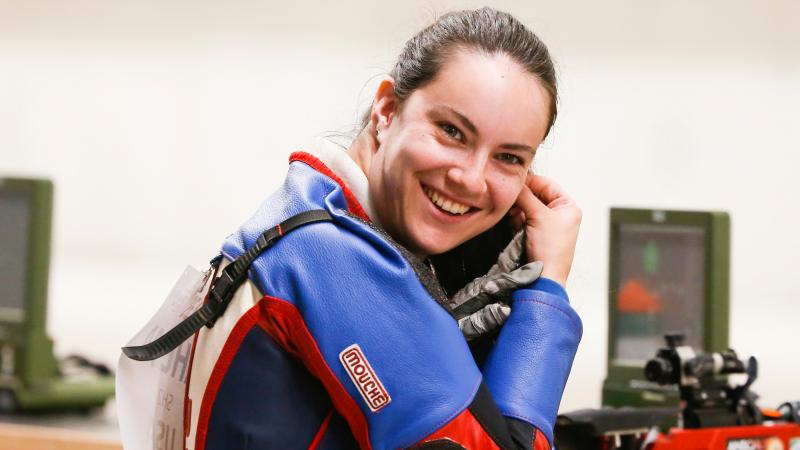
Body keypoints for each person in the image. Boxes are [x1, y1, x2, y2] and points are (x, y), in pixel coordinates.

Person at [183, 7, 582, 450]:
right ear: (387, 109)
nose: (470, 178)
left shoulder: (306, 210)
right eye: (451, 131)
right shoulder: (334, 257)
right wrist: (547, 292)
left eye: (509, 157)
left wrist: (439, 338)